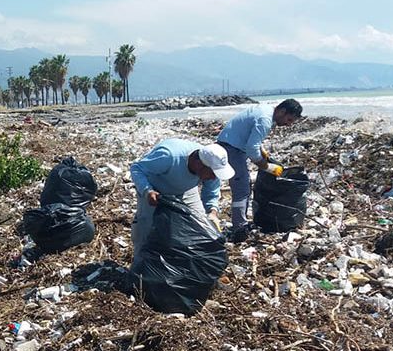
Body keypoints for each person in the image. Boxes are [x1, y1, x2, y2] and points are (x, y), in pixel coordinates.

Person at [129, 139, 234, 266]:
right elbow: (137, 168)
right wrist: (147, 191)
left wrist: (212, 211)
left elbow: (211, 190)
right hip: (155, 191)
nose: (213, 177)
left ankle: (190, 265)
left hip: (186, 190)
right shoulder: (169, 157)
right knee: (145, 230)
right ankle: (140, 266)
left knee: (200, 225)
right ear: (199, 164)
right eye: (212, 173)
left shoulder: (210, 163)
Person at [215, 99, 303, 242]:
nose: (288, 124)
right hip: (232, 149)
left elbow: (251, 136)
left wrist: (262, 151)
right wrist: (268, 167)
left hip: (230, 144)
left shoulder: (266, 109)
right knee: (242, 189)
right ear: (282, 111)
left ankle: (239, 223)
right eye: (289, 119)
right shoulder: (265, 120)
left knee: (242, 187)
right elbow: (251, 150)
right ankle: (239, 228)